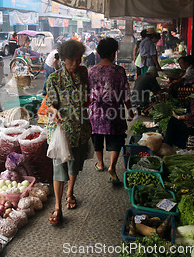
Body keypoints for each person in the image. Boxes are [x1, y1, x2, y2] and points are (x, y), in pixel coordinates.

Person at [46, 40, 91, 225]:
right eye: (72, 60)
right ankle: (57, 207)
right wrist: (54, 111)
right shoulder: (54, 79)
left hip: (80, 129)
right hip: (61, 131)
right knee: (58, 169)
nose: (76, 63)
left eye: (79, 59)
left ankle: (70, 192)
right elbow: (50, 104)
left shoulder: (83, 72)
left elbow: (87, 94)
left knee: (74, 166)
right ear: (64, 59)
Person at [88, 38, 133, 184]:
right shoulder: (119, 71)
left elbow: (87, 94)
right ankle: (112, 166)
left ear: (99, 53)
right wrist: (130, 110)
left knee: (97, 137)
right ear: (114, 54)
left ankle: (100, 163)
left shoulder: (91, 70)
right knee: (117, 138)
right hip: (114, 111)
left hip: (95, 112)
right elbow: (125, 93)